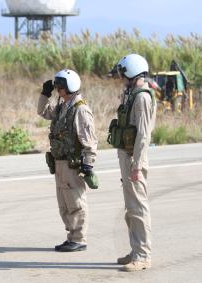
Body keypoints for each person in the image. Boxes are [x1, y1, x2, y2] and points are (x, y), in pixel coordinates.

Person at [38, 69, 98, 252]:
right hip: (59, 162)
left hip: (72, 163)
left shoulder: (80, 109)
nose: (57, 89)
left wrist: (88, 163)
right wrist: (44, 95)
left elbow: (90, 139)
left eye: (59, 86)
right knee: (64, 203)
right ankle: (72, 236)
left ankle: (79, 238)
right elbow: (43, 112)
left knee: (76, 202)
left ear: (69, 86)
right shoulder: (63, 106)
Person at [108, 54, 157, 272]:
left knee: (138, 207)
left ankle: (143, 255)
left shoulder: (142, 98)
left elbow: (144, 135)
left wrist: (136, 165)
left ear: (132, 72)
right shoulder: (131, 94)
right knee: (130, 208)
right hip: (127, 158)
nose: (121, 77)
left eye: (122, 73)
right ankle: (135, 250)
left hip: (134, 160)